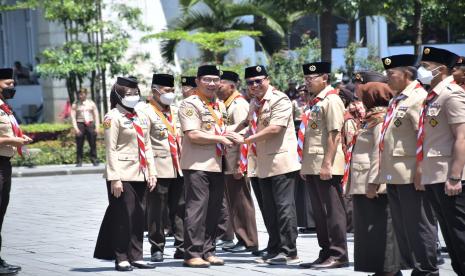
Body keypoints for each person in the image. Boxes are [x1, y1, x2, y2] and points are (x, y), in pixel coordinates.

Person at [229, 65, 301, 265]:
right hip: (260, 163)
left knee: (284, 208)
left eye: (259, 81)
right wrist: (227, 133)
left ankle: (289, 251)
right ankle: (274, 246)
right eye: (251, 82)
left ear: (267, 79)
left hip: (280, 162)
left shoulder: (280, 99)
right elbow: (246, 123)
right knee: (268, 209)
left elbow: (275, 128)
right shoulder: (254, 102)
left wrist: (245, 140)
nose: (254, 85)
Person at [378, 54, 438, 275]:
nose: (387, 78)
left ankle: (427, 269)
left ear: (406, 74)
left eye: (391, 74)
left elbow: (424, 136)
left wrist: (421, 170)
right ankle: (415, 266)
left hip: (412, 174)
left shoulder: (418, 98)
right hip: (394, 173)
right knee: (403, 226)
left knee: (419, 224)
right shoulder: (398, 99)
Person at [94, 76, 157, 272]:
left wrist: (152, 172)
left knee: (139, 217)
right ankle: (121, 257)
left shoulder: (140, 116)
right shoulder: (112, 117)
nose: (133, 97)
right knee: (124, 217)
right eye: (128, 94)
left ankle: (136, 255)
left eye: (136, 93)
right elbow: (110, 149)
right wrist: (114, 178)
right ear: (118, 96)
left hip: (141, 173)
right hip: (121, 174)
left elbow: (146, 145)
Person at [348, 76, 405, 276]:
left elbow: (379, 153)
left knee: (381, 228)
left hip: (373, 185)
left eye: (364, 93)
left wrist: (373, 182)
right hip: (363, 182)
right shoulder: (371, 117)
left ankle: (389, 270)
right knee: (369, 230)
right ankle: (379, 269)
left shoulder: (380, 119)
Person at [417, 46, 465, 275]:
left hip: (450, 177)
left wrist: (455, 177)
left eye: (426, 67)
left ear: (442, 69)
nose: (421, 71)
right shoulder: (433, 96)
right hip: (434, 174)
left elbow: (461, 137)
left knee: (460, 235)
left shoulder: (452, 94)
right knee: (449, 235)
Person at [178, 65, 232, 268]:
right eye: (207, 79)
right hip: (197, 165)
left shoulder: (219, 105)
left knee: (214, 210)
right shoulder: (190, 104)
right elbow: (193, 134)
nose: (211, 84)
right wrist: (221, 138)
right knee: (196, 209)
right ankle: (192, 253)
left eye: (215, 80)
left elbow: (223, 130)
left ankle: (208, 251)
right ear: (198, 81)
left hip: (218, 164)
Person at [298, 62, 348, 270]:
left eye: (312, 78)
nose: (308, 82)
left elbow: (334, 134)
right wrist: (305, 165)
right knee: (319, 213)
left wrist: (327, 163)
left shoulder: (332, 100)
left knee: (332, 211)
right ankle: (325, 251)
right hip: (313, 164)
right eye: (306, 78)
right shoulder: (315, 101)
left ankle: (339, 254)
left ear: (324, 78)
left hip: (326, 165)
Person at [136, 74, 185, 262]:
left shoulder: (176, 110)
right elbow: (144, 142)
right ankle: (157, 247)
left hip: (178, 166)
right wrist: (149, 170)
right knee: (157, 210)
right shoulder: (146, 112)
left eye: (172, 91)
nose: (170, 94)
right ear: (155, 91)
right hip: (159, 167)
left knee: (180, 208)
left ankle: (181, 245)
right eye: (166, 91)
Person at [217, 70, 258, 253]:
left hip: (236, 163)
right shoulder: (226, 104)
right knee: (234, 202)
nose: (217, 86)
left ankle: (249, 240)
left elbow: (244, 135)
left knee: (242, 201)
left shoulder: (239, 104)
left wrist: (240, 165)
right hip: (228, 160)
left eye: (221, 83)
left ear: (231, 86)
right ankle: (242, 238)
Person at [0, 68, 32, 275]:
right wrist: (14, 140)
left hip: (4, 164)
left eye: (13, 84)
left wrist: (19, 138)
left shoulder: (5, 108)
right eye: (7, 84)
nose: (12, 87)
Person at [291, 86, 316, 233]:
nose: (304, 95)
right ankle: (306, 222)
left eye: (307, 93)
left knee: (309, 189)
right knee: (302, 189)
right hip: (300, 147)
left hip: (311, 153)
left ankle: (313, 223)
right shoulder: (300, 106)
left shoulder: (313, 109)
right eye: (302, 93)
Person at [70, 88, 100, 167]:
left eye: (82, 94)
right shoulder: (75, 104)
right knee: (79, 144)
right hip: (80, 124)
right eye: (79, 94)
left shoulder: (91, 103)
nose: (81, 96)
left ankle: (94, 160)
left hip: (90, 124)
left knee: (92, 143)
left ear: (86, 94)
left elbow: (96, 115)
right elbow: (73, 117)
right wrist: (76, 128)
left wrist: (97, 127)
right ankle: (79, 161)